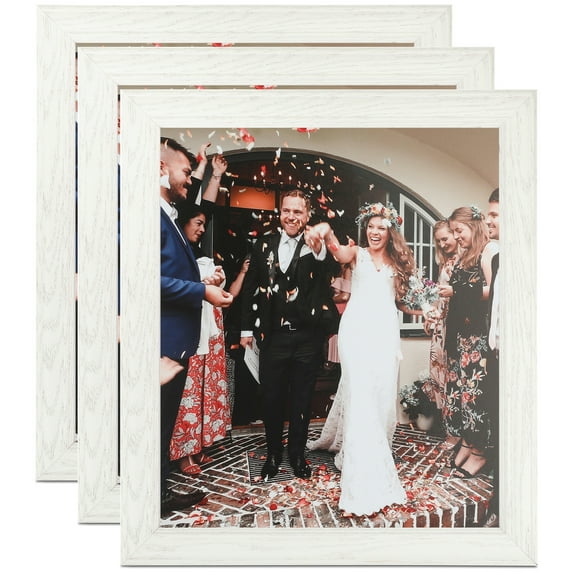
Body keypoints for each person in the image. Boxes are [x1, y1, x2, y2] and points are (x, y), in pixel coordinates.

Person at [305, 202, 422, 516]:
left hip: (384, 336)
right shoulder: (357, 254)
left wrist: (426, 311)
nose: (375, 232)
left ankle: (372, 451)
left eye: (381, 227)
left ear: (390, 232)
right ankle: (362, 474)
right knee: (362, 398)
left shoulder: (397, 263)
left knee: (381, 398)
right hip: (356, 333)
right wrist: (327, 232)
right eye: (371, 226)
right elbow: (338, 253)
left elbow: (402, 303)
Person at [240, 190, 336, 479]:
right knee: (271, 398)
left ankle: (297, 454)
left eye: (297, 212)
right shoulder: (263, 244)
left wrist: (319, 249)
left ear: (307, 215)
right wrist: (246, 328)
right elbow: (251, 287)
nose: (291, 216)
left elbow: (327, 272)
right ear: (280, 213)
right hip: (273, 338)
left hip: (307, 338)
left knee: (302, 399)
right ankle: (273, 454)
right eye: (287, 211)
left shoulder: (315, 244)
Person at [159, 137, 233, 512]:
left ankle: (157, 489)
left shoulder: (172, 218)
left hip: (180, 344)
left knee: (163, 420)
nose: (189, 180)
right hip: (163, 344)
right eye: (186, 172)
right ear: (161, 168)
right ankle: (152, 492)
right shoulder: (155, 217)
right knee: (156, 420)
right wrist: (202, 291)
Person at [169, 194, 232, 476]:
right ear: (183, 222)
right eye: (198, 223)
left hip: (207, 333)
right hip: (186, 331)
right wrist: (202, 285)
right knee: (188, 395)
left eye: (204, 224)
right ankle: (181, 452)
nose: (202, 229)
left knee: (203, 392)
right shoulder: (176, 252)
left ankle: (198, 445)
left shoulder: (197, 255)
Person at [440, 205, 498, 479]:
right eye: (453, 231)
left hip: (477, 338)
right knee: (460, 395)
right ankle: (467, 442)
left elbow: (494, 290)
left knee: (474, 396)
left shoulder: (489, 251)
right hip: (460, 336)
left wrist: (457, 290)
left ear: (473, 227)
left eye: (458, 230)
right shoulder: (466, 254)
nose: (455, 236)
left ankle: (480, 452)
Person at [423, 221, 459, 445]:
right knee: (439, 374)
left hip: (454, 325)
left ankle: (455, 434)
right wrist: (430, 315)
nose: (443, 244)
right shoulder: (444, 262)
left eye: (445, 238)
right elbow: (438, 296)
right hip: (440, 326)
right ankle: (447, 426)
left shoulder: (464, 260)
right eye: (439, 241)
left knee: (453, 377)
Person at [484, 188, 500, 526]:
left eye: (495, 215)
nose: (489, 220)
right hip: (497, 356)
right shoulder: (498, 260)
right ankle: (498, 502)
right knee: (500, 432)